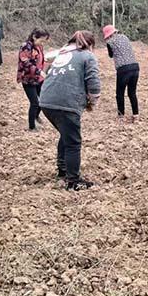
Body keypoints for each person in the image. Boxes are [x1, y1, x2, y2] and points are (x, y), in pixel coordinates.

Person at [39, 31, 101, 191]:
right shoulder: (87, 56)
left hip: (46, 101)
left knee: (65, 134)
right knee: (73, 142)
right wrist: (93, 101)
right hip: (66, 102)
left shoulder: (62, 53)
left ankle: (62, 170)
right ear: (90, 44)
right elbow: (93, 82)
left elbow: (48, 70)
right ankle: (73, 181)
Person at [102, 25, 140, 123]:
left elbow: (111, 55)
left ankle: (121, 116)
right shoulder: (125, 37)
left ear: (108, 35)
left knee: (120, 94)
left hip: (123, 69)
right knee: (132, 93)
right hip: (135, 67)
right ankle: (136, 115)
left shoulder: (110, 42)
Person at [17, 29, 50, 131]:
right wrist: (39, 72)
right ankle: (32, 126)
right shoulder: (26, 47)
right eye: (42, 40)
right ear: (35, 37)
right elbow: (26, 63)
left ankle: (36, 116)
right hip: (28, 78)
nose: (43, 43)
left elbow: (39, 59)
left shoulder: (39, 46)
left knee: (43, 99)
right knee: (34, 102)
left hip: (38, 78)